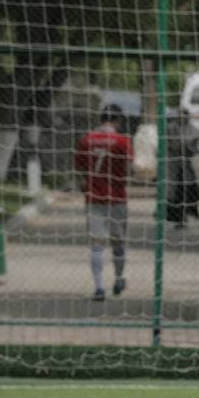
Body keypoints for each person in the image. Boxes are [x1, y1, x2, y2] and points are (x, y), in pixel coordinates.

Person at [75, 105, 133, 300]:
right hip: (116, 198)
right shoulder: (122, 142)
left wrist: (85, 184)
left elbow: (80, 169)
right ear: (118, 121)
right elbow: (129, 168)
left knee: (97, 244)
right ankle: (118, 277)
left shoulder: (86, 140)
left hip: (94, 198)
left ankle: (99, 287)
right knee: (118, 242)